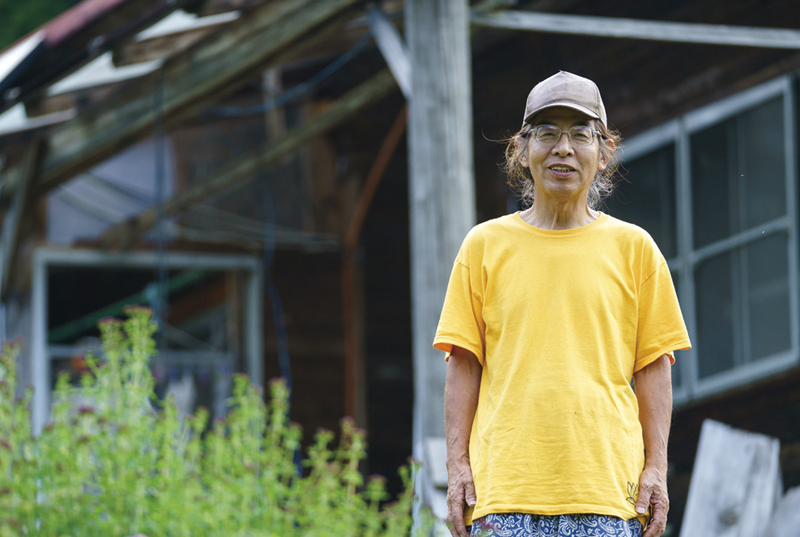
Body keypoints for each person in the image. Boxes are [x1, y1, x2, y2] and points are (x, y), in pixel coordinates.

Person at [433, 71, 691, 537]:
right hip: (504, 493)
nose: (563, 148)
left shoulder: (635, 249)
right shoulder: (484, 246)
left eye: (580, 135)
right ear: (521, 149)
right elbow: (463, 363)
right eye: (547, 133)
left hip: (608, 494)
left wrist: (656, 470)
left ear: (605, 151)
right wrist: (457, 468)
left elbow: (654, 367)